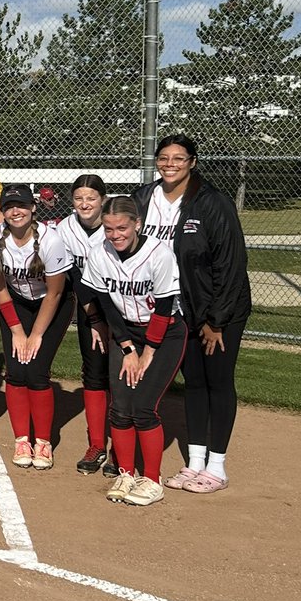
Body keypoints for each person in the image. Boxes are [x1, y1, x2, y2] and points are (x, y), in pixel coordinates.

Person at [133, 134, 251, 494]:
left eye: (179, 158)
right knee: (194, 383)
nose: (170, 164)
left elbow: (231, 264)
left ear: (192, 162)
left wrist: (216, 321)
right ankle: (195, 462)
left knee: (218, 382)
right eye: (164, 158)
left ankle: (217, 467)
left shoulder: (211, 202)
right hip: (177, 308)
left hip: (217, 309)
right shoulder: (144, 198)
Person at [83, 196, 188, 507]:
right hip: (126, 331)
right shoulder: (99, 253)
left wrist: (149, 351)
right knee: (120, 407)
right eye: (109, 228)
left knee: (143, 407)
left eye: (122, 228)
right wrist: (128, 347)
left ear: (137, 224)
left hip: (164, 333)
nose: (115, 235)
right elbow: (106, 304)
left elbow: (165, 306)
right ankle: (126, 474)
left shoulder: (159, 253)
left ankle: (152, 480)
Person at [0, 184, 73, 471]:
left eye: (21, 205)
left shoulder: (51, 240)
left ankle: (42, 441)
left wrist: (36, 335)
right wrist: (18, 331)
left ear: (33, 208)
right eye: (8, 207)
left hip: (52, 304)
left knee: (37, 370)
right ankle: (22, 439)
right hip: (16, 302)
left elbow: (55, 293)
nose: (15, 211)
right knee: (17, 370)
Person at [56, 174, 115, 475]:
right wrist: (93, 318)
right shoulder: (66, 228)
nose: (85, 203)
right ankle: (97, 444)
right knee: (93, 373)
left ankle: (121, 447)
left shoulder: (114, 225)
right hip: (89, 307)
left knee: (120, 376)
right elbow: (75, 278)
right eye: (79, 198)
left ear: (103, 200)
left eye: (91, 198)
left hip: (121, 307)